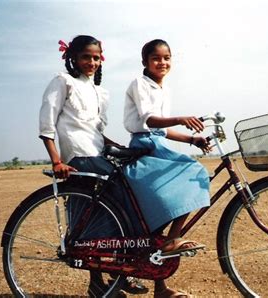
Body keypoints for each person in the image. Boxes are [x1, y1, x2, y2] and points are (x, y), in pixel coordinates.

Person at [39, 35, 148, 297]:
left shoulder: (100, 92)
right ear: (72, 58)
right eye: (86, 56)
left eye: (96, 57)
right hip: (78, 157)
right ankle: (118, 273)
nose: (92, 62)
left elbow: (96, 132)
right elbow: (47, 123)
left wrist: (123, 149)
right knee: (111, 209)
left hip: (98, 154)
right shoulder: (63, 82)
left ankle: (103, 280)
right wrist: (56, 160)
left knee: (105, 215)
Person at [123, 39, 211, 298]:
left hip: (155, 141)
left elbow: (162, 129)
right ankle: (174, 238)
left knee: (156, 224)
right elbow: (150, 120)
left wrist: (192, 139)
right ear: (145, 62)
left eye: (167, 58)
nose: (162, 62)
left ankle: (160, 286)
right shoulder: (140, 84)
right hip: (144, 145)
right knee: (197, 173)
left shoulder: (164, 88)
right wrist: (182, 118)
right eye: (156, 58)